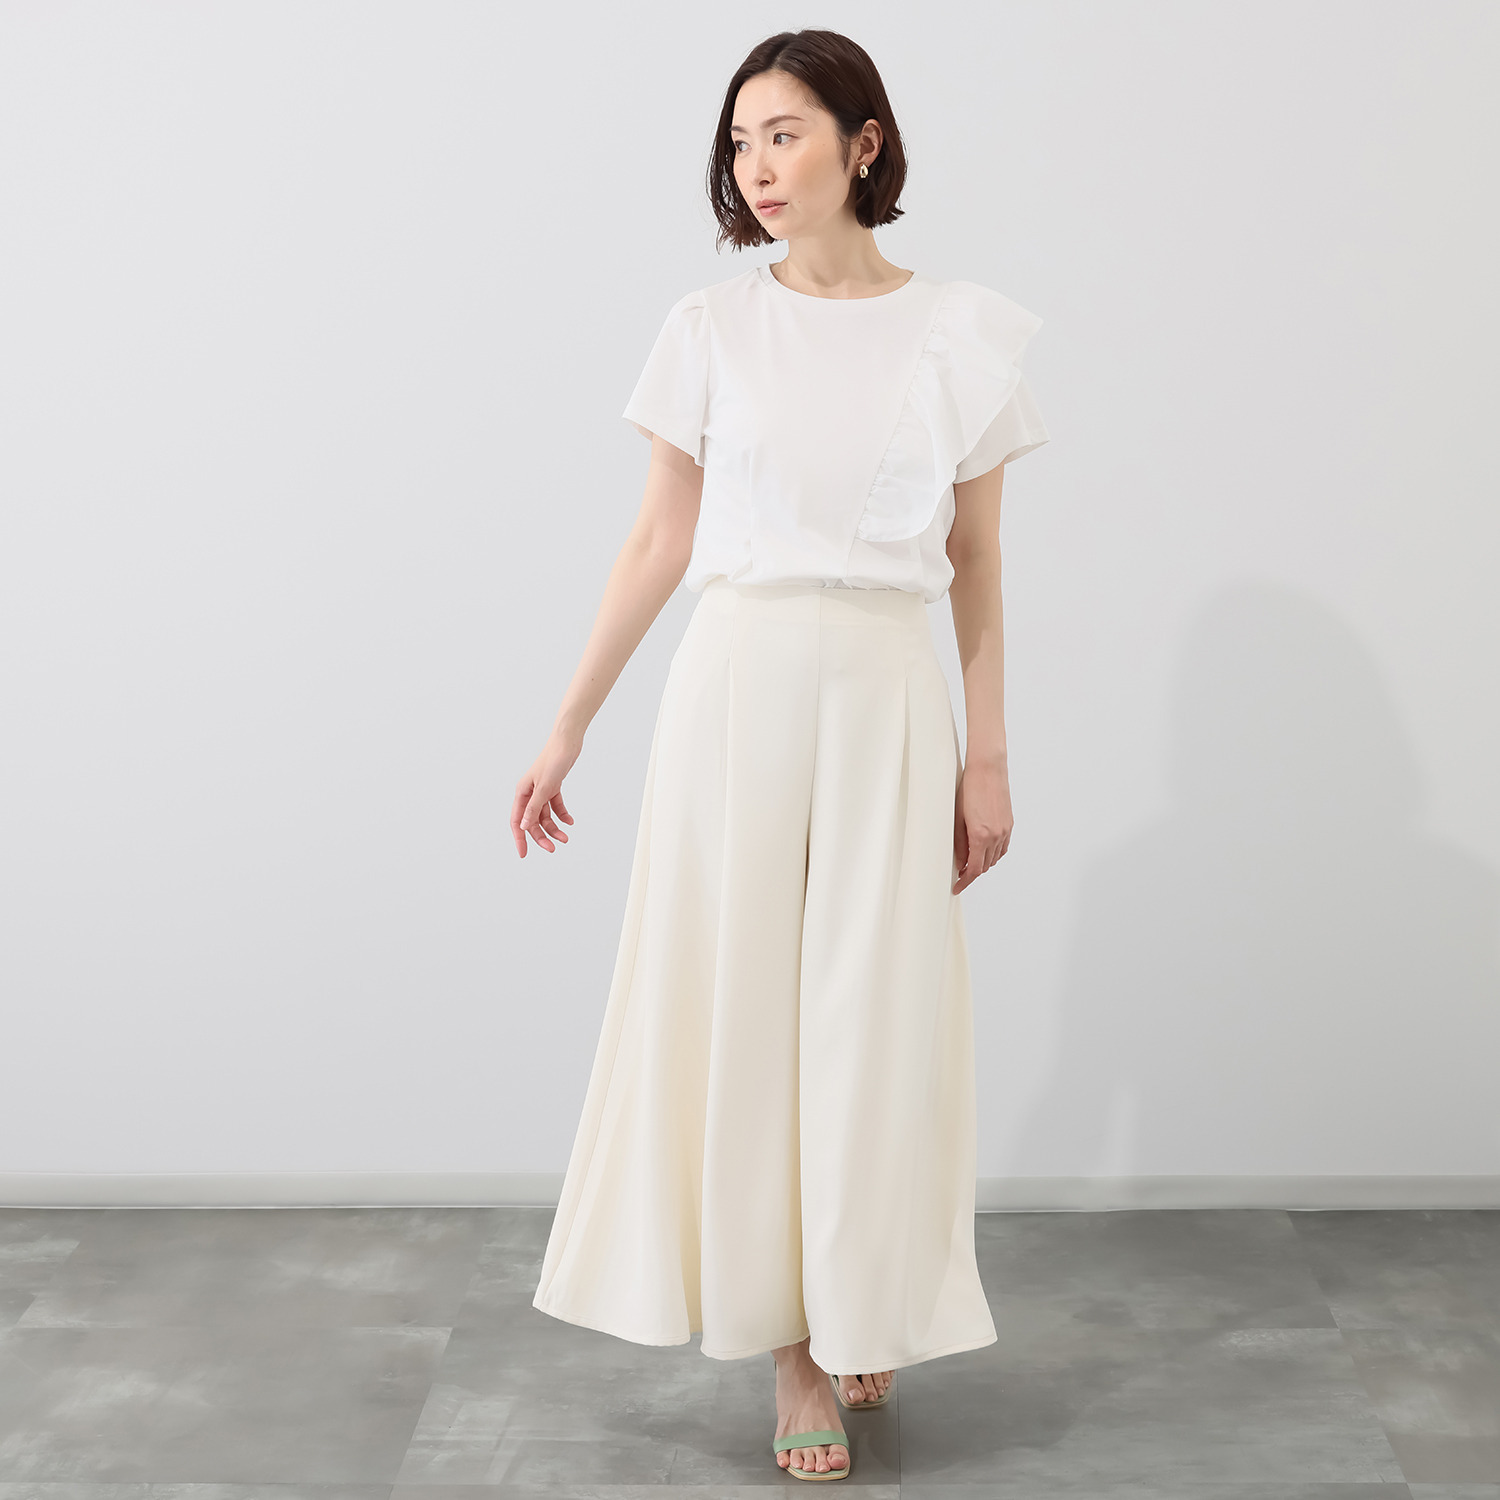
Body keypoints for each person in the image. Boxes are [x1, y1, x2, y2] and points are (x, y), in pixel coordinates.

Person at [512, 27, 1050, 1484]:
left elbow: (980, 564)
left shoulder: (961, 335)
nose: (756, 165)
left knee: (874, 1013)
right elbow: (657, 542)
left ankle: (863, 1293)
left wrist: (988, 758)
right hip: (736, 688)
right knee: (752, 1012)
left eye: (786, 132)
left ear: (864, 144)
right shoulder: (708, 330)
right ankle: (795, 1348)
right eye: (741, 140)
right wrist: (568, 725)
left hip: (887, 691)